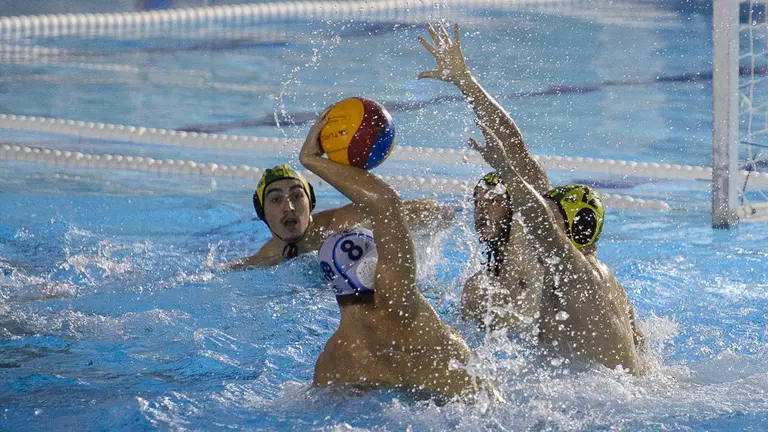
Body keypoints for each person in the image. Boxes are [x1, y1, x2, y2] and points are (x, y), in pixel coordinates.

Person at [419, 23, 647, 374]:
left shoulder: (553, 255)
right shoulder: (487, 284)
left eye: (494, 200)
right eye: (478, 200)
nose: (482, 210)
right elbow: (643, 350)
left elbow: (516, 148)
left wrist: (468, 84)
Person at [301, 109, 496, 402]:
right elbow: (386, 203)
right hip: (478, 413)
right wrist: (311, 160)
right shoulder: (398, 303)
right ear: (374, 267)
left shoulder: (332, 363)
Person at [223, 162, 450, 269]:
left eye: (296, 196)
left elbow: (433, 212)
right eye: (276, 200)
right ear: (261, 212)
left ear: (310, 203)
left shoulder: (337, 225)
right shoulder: (268, 258)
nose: (289, 207)